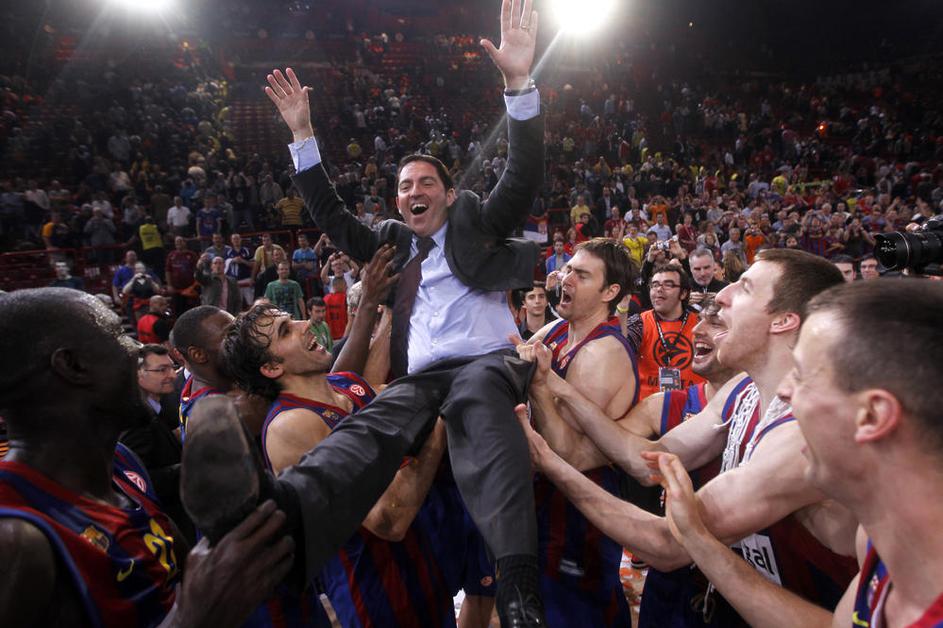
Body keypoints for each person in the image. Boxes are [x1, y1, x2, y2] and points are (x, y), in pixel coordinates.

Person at [242, 3, 545, 622]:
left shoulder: (479, 219)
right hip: (422, 380)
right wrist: (302, 137)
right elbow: (331, 217)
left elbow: (522, 174)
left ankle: (518, 583)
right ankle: (288, 512)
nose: (414, 192)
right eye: (405, 186)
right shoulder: (391, 242)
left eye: (426, 183)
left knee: (478, 399)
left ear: (449, 194)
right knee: (373, 420)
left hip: (487, 366)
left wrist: (518, 83)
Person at [516, 249, 859, 615]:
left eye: (744, 287)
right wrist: (560, 387)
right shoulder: (742, 389)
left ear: (783, 321)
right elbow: (645, 461)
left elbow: (667, 544)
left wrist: (548, 461)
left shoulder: (800, 437)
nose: (722, 295)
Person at [651, 280, 943, 628]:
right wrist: (698, 540)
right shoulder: (879, 537)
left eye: (802, 375)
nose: (786, 391)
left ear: (873, 415)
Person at [0, 288, 296, 628]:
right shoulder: (15, 537)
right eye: (117, 334)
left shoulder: (122, 463)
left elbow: (186, 579)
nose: (137, 350)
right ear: (73, 365)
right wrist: (192, 620)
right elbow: (193, 611)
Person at [517, 238, 637, 627]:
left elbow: (568, 455)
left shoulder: (602, 352)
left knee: (580, 613)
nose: (566, 278)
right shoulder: (557, 329)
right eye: (568, 268)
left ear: (610, 292)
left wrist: (539, 386)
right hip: (547, 497)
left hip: (581, 507)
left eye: (581, 275)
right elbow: (510, 358)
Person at [122, 343, 195, 543]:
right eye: (162, 370)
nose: (172, 375)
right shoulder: (136, 419)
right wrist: (192, 465)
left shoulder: (161, 406)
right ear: (138, 375)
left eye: (172, 367)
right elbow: (137, 477)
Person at [629, 264, 704, 400]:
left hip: (693, 406)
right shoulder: (638, 322)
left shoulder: (702, 324)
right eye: (655, 285)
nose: (659, 289)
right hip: (647, 406)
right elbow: (620, 351)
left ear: (683, 293)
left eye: (668, 285)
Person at [170, 305, 235, 441]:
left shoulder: (193, 383)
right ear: (198, 354)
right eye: (231, 334)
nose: (242, 338)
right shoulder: (217, 413)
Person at [165, 236, 200, 315]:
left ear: (185, 243)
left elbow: (197, 270)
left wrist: (194, 285)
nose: (178, 243)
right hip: (176, 289)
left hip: (190, 288)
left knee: (191, 310)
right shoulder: (171, 255)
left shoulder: (192, 255)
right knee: (177, 311)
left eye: (180, 241)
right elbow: (168, 271)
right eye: (176, 242)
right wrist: (169, 285)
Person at [226, 233, 255, 306]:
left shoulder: (247, 251)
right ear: (231, 241)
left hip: (246, 278)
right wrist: (232, 260)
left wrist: (243, 261)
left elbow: (253, 265)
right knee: (237, 303)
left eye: (237, 238)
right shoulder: (228, 252)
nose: (236, 240)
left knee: (250, 302)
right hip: (233, 281)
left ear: (240, 239)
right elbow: (225, 267)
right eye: (234, 239)